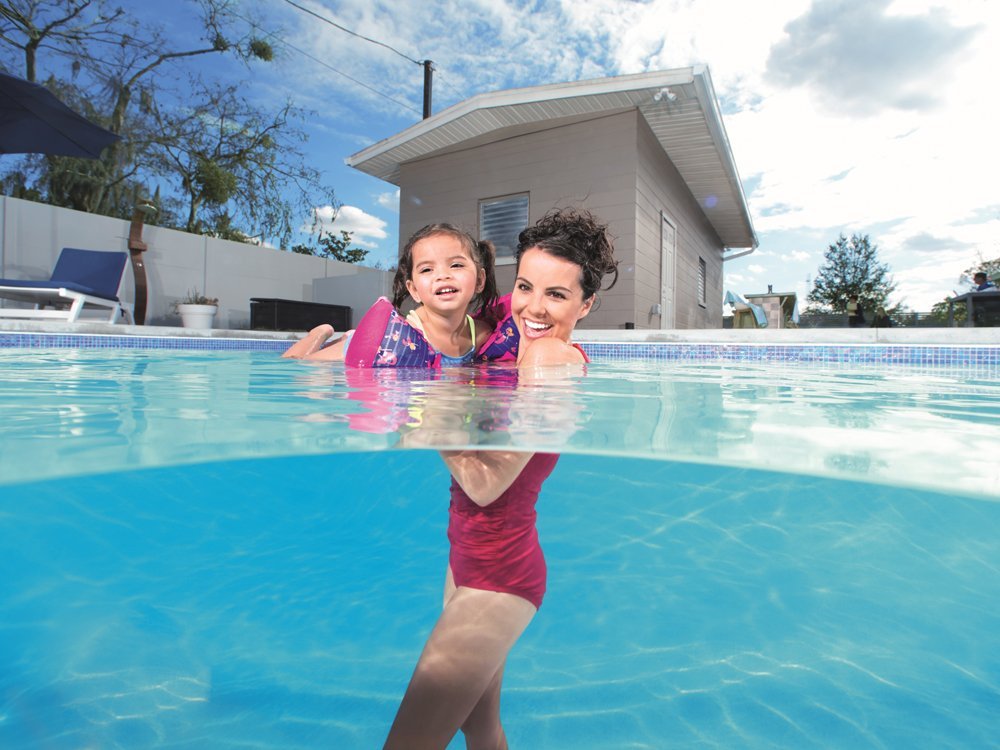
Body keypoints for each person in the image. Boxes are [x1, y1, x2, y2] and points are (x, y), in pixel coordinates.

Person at [383, 208, 618, 750]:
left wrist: (426, 418)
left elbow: (486, 485)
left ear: (585, 305)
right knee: (480, 727)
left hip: (499, 576)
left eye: (557, 295)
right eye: (526, 287)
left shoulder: (548, 358)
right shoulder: (514, 346)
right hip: (468, 557)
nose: (533, 307)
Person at [282, 223, 502, 364]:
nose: (442, 275)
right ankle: (320, 333)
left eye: (456, 265)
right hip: (362, 341)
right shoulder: (397, 336)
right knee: (302, 360)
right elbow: (300, 367)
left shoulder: (481, 335)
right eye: (427, 269)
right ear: (414, 290)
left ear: (479, 280)